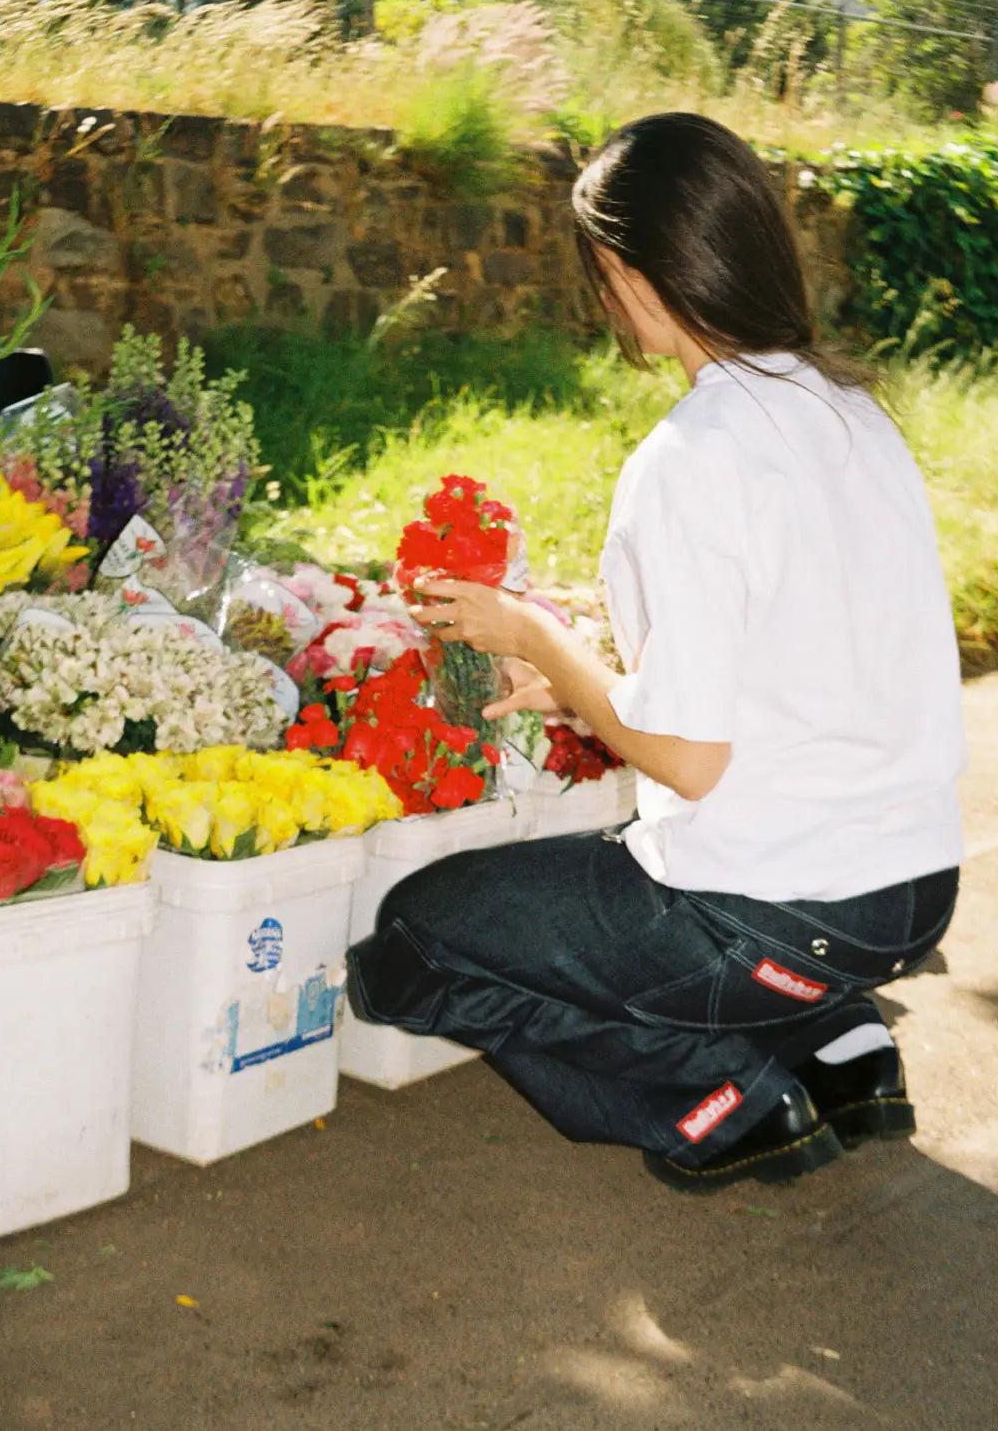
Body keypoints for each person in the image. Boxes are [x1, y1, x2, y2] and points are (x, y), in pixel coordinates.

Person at [346, 112, 965, 1193]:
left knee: (415, 940)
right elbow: (801, 669)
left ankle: (723, 1095)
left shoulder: (690, 455)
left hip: (774, 914)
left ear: (628, 273)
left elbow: (687, 762)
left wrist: (534, 632)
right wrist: (584, 691)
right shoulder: (856, 413)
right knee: (612, 894)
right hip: (911, 892)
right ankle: (843, 1049)